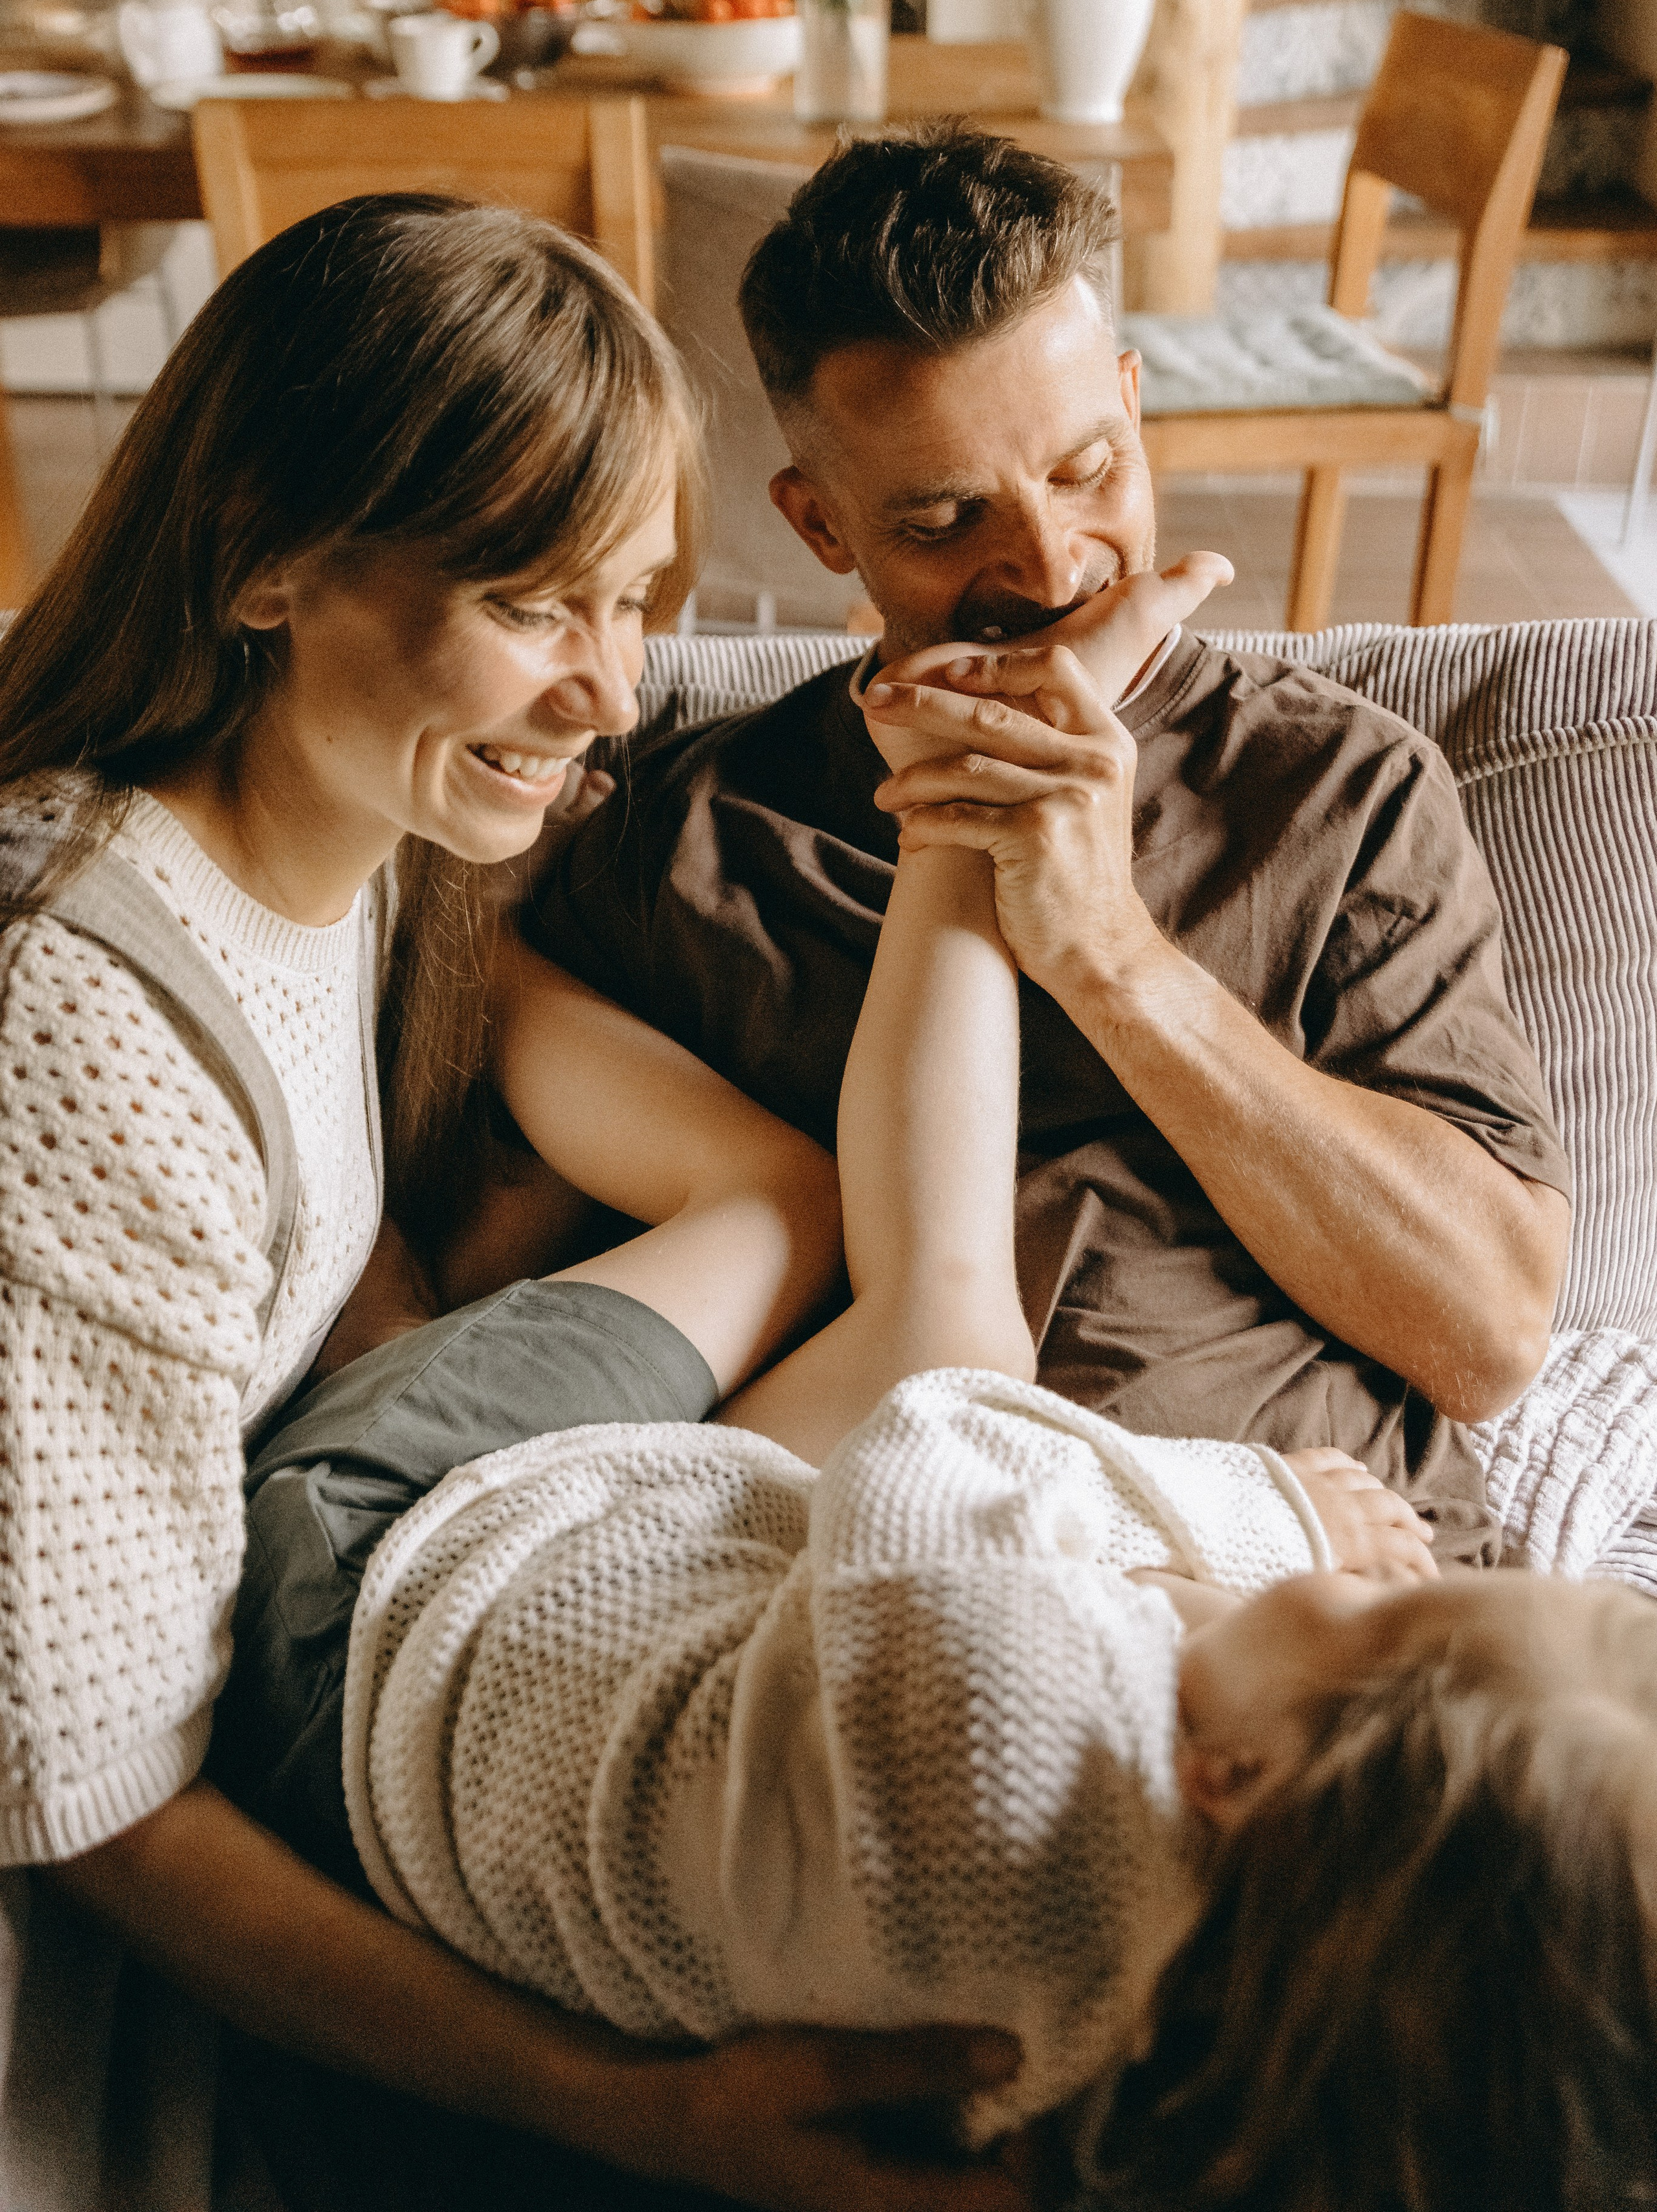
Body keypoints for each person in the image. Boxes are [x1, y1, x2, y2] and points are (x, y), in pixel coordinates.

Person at [241, 562, 1657, 2212]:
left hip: (375, 1596)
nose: (1360, 1575)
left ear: (1236, 1779)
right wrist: (1252, 1603)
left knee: (900, 1293)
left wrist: (1258, 1510)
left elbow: (941, 1441)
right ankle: (938, 813)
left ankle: (836, 838)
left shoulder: (1011, 1702)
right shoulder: (1203, 2052)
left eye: (1374, 1621)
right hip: (637, 1679)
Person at [0, 192, 1026, 2212]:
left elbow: (785, 1194)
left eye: (638, 603)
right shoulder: (71, 1015)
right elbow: (102, 1807)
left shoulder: (375, 841)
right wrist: (633, 2113)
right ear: (272, 558)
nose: (615, 700)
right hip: (113, 1934)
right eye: (541, 605)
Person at [515, 123, 1573, 1553]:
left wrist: (1110, 957)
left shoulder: (1333, 789)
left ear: (1133, 406)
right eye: (947, 519)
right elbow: (511, 1307)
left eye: (1087, 471)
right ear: (819, 525)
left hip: (1320, 1601)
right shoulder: (691, 835)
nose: (1049, 565)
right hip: (877, 1584)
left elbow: (1487, 1336)